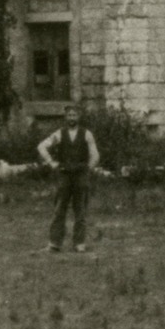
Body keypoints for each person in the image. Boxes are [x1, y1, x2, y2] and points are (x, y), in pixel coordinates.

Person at [37, 105, 101, 253]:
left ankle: (79, 243)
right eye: (69, 115)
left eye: (74, 115)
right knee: (59, 209)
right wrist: (52, 163)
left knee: (80, 210)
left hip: (80, 176)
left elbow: (95, 155)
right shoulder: (59, 134)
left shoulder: (86, 134)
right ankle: (54, 243)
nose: (72, 118)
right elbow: (41, 146)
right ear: (65, 117)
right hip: (64, 175)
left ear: (79, 117)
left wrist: (88, 169)